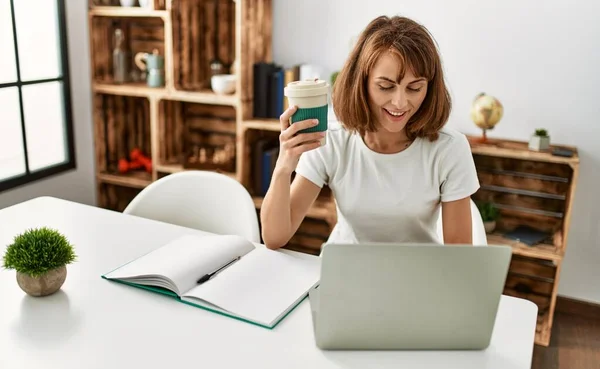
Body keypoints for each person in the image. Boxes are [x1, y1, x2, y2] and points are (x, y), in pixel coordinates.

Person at [260, 15, 480, 249]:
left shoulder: (450, 148)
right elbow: (274, 238)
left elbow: (459, 255)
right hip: (345, 272)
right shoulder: (332, 140)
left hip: (416, 277)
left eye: (415, 88)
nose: (400, 102)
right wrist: (284, 165)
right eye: (385, 87)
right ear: (361, 83)